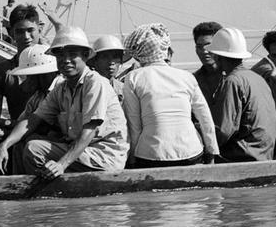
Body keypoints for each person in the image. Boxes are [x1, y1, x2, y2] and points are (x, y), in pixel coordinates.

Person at [0, 25, 128, 179]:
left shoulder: (95, 83)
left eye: (72, 55)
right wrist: (4, 145)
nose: (66, 61)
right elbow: (33, 120)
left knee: (34, 148)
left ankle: (39, 195)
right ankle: (23, 188)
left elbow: (89, 130)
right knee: (24, 143)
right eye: (60, 56)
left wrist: (61, 164)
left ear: (85, 56)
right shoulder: (61, 88)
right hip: (82, 151)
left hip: (103, 155)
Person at [121, 24, 219, 168]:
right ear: (164, 49)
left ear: (139, 52)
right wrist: (211, 152)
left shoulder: (133, 78)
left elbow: (134, 126)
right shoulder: (186, 77)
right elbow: (205, 119)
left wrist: (132, 159)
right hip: (191, 151)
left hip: (151, 154)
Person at [0, 43, 60, 175]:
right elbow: (22, 125)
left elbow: (42, 127)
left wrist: (5, 123)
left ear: (41, 75)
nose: (24, 82)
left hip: (54, 142)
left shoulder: (59, 90)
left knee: (24, 145)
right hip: (39, 138)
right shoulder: (37, 96)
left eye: (29, 76)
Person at [207, 27, 276, 162]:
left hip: (241, 158)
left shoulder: (233, 81)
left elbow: (223, 132)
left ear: (218, 56)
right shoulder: (256, 78)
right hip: (264, 155)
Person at [192, 21, 224, 106]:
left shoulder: (234, 77)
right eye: (199, 47)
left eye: (208, 46)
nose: (204, 51)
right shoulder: (193, 80)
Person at [89, 35, 126, 100]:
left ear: (120, 61)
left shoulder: (124, 89)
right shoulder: (87, 87)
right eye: (105, 57)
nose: (111, 62)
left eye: (115, 57)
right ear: (95, 61)